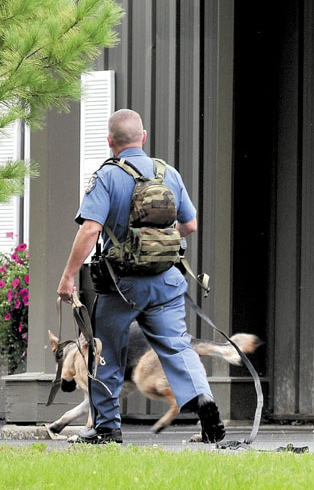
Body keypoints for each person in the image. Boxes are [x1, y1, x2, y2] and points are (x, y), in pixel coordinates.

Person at [57, 109, 225, 444]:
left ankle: (106, 428)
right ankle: (204, 402)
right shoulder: (167, 173)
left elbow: (91, 230)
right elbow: (190, 225)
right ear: (143, 137)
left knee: (106, 353)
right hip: (166, 282)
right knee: (177, 347)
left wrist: (68, 277)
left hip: (120, 286)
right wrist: (156, 243)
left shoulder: (106, 176)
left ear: (110, 142)